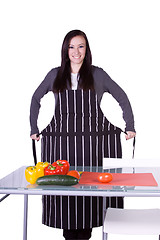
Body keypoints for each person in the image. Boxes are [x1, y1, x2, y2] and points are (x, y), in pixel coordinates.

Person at [30, 29, 136, 240]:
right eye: (71, 46)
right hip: (62, 152)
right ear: (65, 50)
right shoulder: (55, 75)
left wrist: (129, 125)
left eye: (81, 46)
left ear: (86, 50)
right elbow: (35, 99)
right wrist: (34, 129)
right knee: (67, 207)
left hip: (92, 151)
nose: (76, 51)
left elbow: (122, 97)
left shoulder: (98, 75)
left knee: (90, 202)